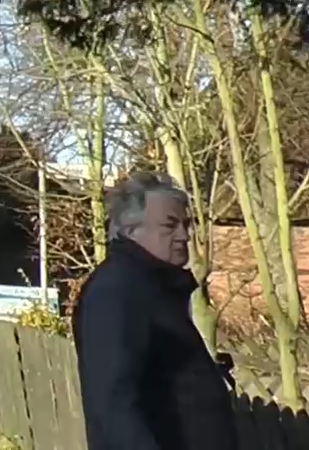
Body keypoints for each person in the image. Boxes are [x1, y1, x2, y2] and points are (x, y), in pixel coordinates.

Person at [74, 172, 235, 450]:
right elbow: (113, 404)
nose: (184, 235)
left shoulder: (152, 287)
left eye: (186, 224)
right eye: (169, 226)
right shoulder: (117, 291)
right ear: (130, 230)